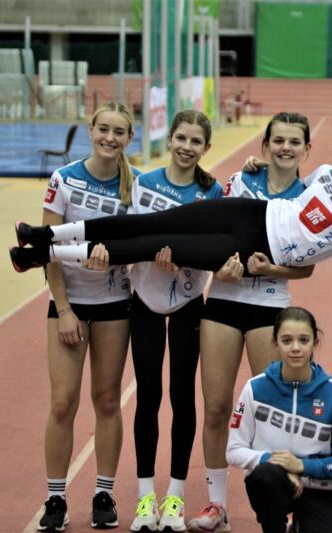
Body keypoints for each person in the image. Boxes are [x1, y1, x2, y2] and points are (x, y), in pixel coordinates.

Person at [10, 132, 332, 274]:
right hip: (250, 211)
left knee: (154, 245)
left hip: (254, 247)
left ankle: (43, 256)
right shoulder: (325, 174)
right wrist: (257, 165)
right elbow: (293, 182)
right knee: (150, 222)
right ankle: (46, 233)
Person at [188, 112, 314, 532]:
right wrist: (218, 268)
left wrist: (271, 269)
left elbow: (306, 267)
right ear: (265, 146)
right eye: (278, 140)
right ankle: (217, 505)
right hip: (223, 303)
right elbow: (212, 235)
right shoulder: (241, 182)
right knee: (216, 408)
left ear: (306, 149)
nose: (285, 148)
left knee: (273, 410)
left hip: (269, 308)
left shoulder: (307, 198)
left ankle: (283, 505)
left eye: (293, 142)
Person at [34, 102, 139, 532]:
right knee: (63, 402)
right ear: (91, 130)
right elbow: (46, 248)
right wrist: (64, 310)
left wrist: (118, 259)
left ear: (129, 138)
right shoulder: (64, 179)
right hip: (69, 304)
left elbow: (138, 246)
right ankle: (56, 498)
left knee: (108, 400)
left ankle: (103, 494)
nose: (110, 138)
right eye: (103, 129)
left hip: (114, 304)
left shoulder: (135, 186)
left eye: (119, 132)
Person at [122, 110, 224, 532]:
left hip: (188, 301)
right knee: (148, 395)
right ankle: (146, 497)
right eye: (181, 138)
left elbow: (215, 247)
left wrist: (183, 258)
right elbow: (130, 236)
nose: (186, 147)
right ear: (170, 139)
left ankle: (176, 497)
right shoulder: (143, 183)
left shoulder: (212, 191)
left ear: (206, 147)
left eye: (196, 141)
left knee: (183, 397)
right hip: (144, 299)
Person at [226, 306, 332, 533]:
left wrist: (302, 466)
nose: (295, 348)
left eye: (303, 340)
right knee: (265, 476)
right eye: (287, 340)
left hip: (317, 487)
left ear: (315, 343)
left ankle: (300, 524)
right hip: (274, 483)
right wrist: (281, 465)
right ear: (275, 343)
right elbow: (234, 450)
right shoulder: (255, 388)